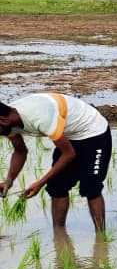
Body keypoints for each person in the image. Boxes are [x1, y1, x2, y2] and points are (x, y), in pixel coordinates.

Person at [0, 92, 111, 232]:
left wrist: (40, 183)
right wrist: (8, 181)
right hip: (69, 136)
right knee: (57, 186)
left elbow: (68, 154)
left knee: (91, 186)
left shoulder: (40, 117)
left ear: (2, 120)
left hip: (93, 131)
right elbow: (20, 151)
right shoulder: (10, 122)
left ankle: (101, 237)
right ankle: (59, 234)